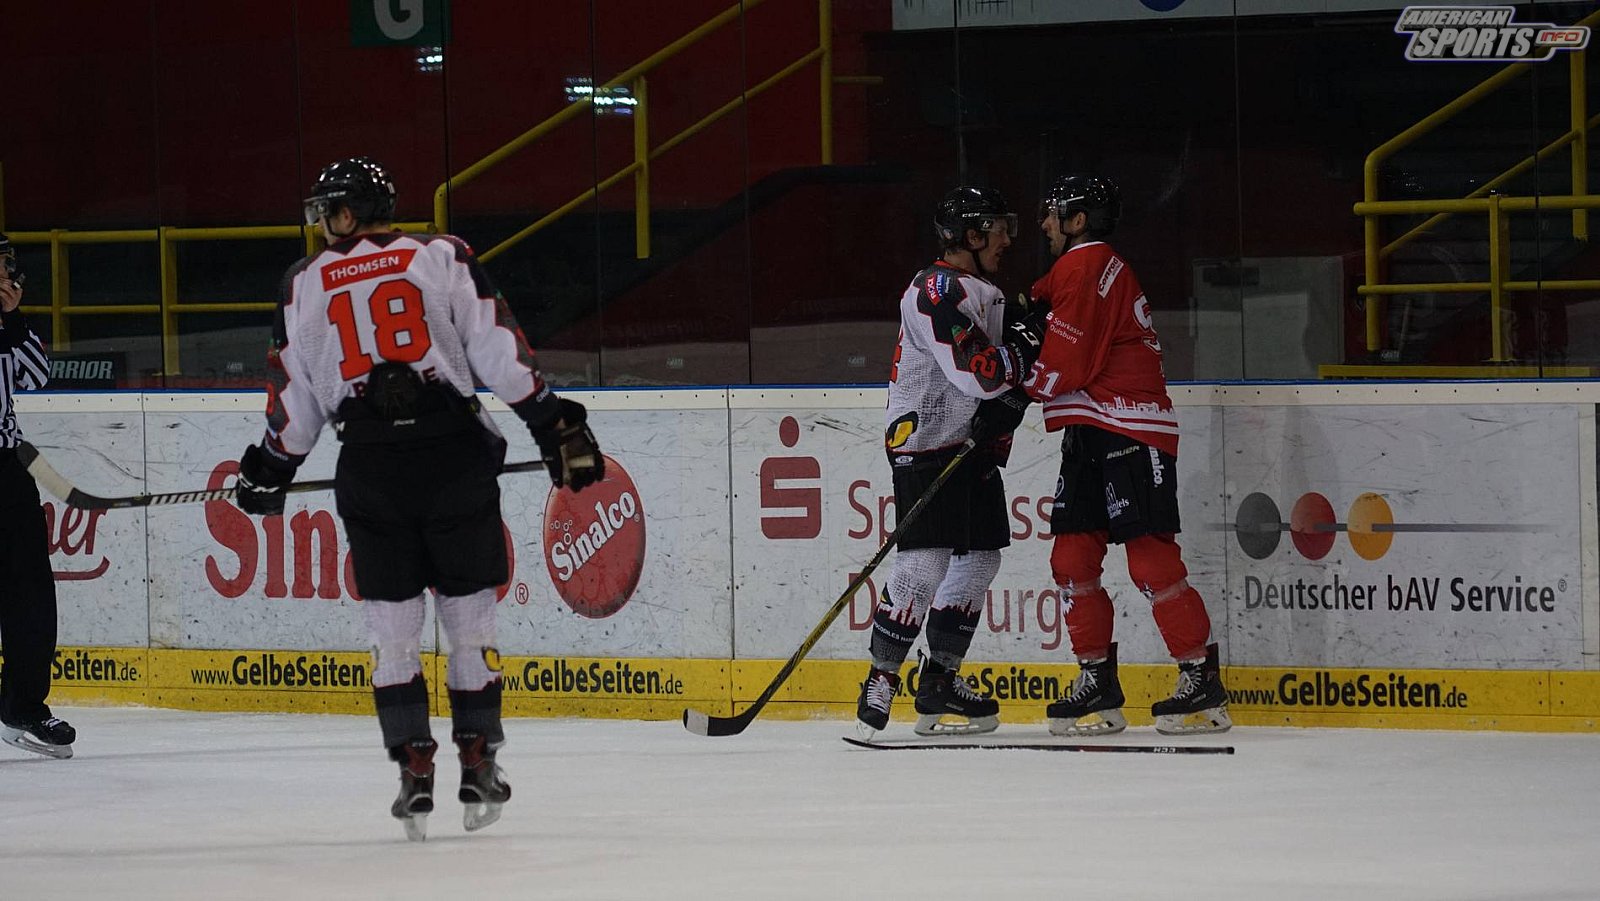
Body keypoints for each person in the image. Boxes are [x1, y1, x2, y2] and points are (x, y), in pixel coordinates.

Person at [232, 159, 604, 839]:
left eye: (327, 210)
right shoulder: (441, 254)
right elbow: (499, 353)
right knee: (471, 622)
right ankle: (478, 761)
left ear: (348, 213)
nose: (321, 223)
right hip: (453, 460)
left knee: (392, 631)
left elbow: (297, 405)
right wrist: (554, 424)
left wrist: (269, 468)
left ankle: (412, 768)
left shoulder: (302, 282)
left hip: (372, 470)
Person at [1023, 175, 1229, 736]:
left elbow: (1067, 362)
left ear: (1078, 220)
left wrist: (1012, 385)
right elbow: (1047, 302)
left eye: (1053, 213)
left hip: (1131, 425)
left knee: (1150, 560)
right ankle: (1097, 680)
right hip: (1090, 425)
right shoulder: (1080, 267)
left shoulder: (1086, 263)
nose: (1044, 223)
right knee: (1071, 558)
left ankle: (1200, 679)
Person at [854, 186, 1044, 738]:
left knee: (981, 561)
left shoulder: (986, 291)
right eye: (998, 227)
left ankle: (939, 683)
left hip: (970, 443)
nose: (1008, 237)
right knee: (923, 566)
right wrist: (1027, 346)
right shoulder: (935, 291)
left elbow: (1006, 375)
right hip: (927, 443)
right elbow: (981, 374)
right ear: (970, 235)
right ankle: (881, 679)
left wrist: (1019, 369)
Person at [0, 234, 74, 759]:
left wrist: (13, 319)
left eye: (7, 264)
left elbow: (37, 376)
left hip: (6, 468)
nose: (7, 273)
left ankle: (22, 707)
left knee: (29, 593)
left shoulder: (9, 323)